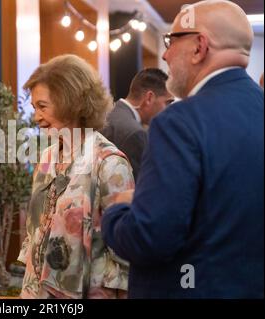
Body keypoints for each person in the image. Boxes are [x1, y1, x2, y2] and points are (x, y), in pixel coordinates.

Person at [102, 0, 264, 298]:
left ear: (199, 47)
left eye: (171, 40)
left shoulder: (179, 122)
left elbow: (149, 238)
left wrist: (118, 209)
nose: (164, 54)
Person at [18, 54, 135, 299]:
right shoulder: (47, 158)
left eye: (42, 106)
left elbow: (123, 250)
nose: (36, 117)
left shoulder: (110, 163)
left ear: (69, 102)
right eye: (34, 108)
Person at [101, 68, 174, 180]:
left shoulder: (106, 114)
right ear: (149, 98)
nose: (169, 110)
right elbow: (138, 189)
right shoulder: (135, 133)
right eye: (168, 103)